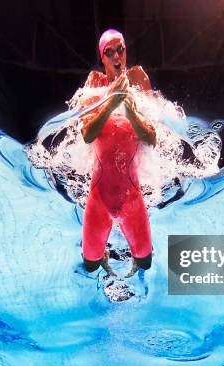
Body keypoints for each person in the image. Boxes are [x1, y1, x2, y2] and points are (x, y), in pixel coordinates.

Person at [80, 29, 156, 278]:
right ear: (102, 59)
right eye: (109, 52)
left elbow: (152, 138)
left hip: (131, 196)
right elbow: (87, 134)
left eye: (120, 49)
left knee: (145, 263)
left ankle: (127, 259)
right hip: (99, 196)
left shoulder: (138, 77)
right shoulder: (95, 83)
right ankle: (102, 256)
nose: (116, 56)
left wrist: (131, 113)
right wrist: (111, 104)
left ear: (126, 52)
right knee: (90, 265)